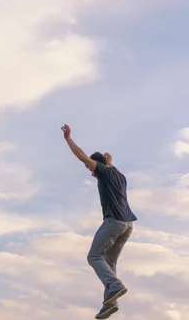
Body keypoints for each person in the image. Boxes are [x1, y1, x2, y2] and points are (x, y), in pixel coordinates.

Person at [61, 124, 138, 319]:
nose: (91, 172)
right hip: (128, 225)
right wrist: (109, 160)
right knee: (110, 264)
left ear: (97, 165)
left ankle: (115, 286)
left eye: (91, 168)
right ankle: (109, 303)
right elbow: (110, 164)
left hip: (114, 222)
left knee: (94, 257)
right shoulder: (119, 175)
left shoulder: (102, 171)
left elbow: (82, 156)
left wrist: (69, 139)